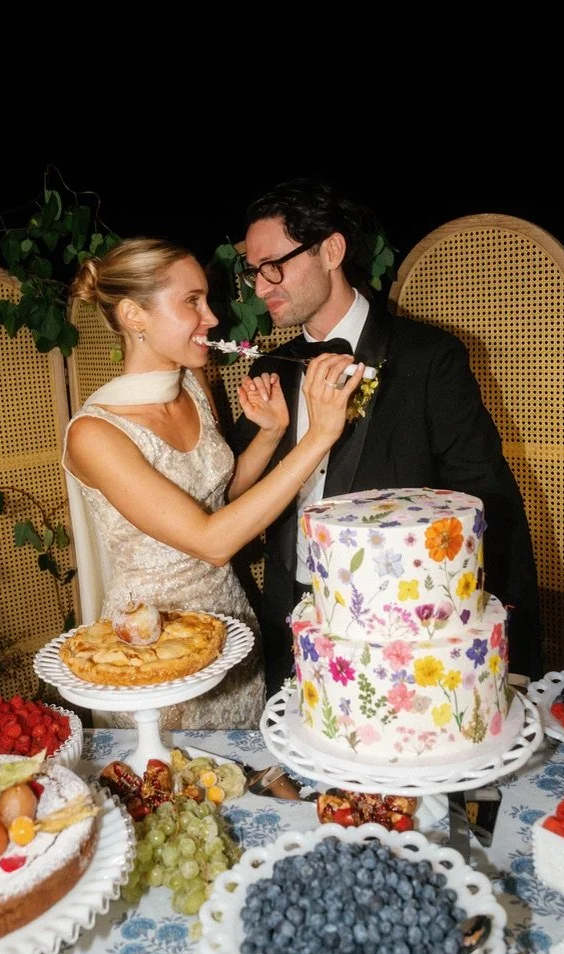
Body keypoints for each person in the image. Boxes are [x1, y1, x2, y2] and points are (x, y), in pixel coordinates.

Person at [228, 178, 543, 696]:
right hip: (293, 620)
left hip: (406, 629)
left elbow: (488, 499)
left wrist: (511, 646)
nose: (261, 288)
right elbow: (236, 499)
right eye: (253, 272)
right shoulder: (270, 369)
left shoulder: (429, 358)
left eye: (274, 266)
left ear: (331, 250)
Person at [62, 236, 363, 730]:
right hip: (153, 648)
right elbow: (212, 541)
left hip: (231, 628)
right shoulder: (95, 435)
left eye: (205, 299)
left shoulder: (192, 388)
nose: (213, 318)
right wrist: (319, 438)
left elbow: (218, 501)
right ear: (135, 316)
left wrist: (271, 436)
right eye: (191, 302)